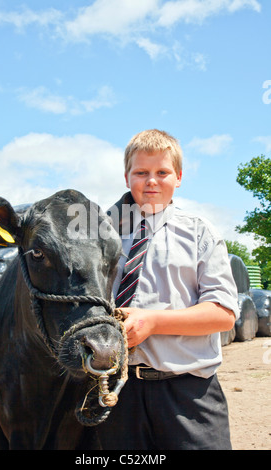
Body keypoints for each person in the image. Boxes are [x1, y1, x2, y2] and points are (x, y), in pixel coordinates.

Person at [97, 129, 239, 450]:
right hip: (117, 392)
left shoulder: (200, 232)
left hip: (188, 393)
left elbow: (224, 315)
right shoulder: (100, 235)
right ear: (126, 176)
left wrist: (153, 322)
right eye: (141, 173)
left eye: (162, 172)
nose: (151, 181)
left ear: (178, 177)